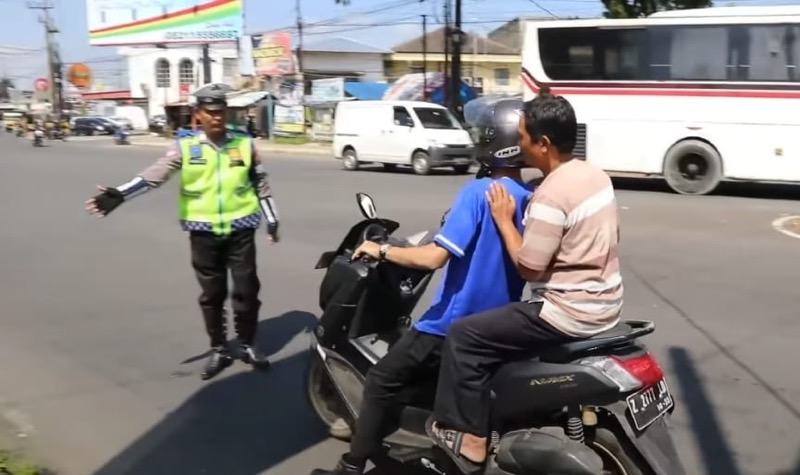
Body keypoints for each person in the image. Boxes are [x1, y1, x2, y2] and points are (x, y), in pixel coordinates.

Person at [310, 98, 534, 475]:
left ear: (493, 141)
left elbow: (433, 258)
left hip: (451, 323)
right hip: (498, 324)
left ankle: (351, 466)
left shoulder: (478, 194)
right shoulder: (528, 198)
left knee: (380, 380)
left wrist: (381, 249)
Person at [426, 93, 624, 474]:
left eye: (523, 138)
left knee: (465, 336)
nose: (518, 146)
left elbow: (529, 269)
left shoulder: (550, 193)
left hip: (567, 312)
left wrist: (504, 220)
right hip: (607, 303)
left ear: (543, 143)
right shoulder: (594, 175)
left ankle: (470, 440)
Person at [85, 84, 280, 381]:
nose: (217, 117)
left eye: (221, 112)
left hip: (241, 229)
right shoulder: (186, 146)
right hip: (202, 233)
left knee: (247, 292)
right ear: (198, 114)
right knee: (212, 295)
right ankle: (219, 348)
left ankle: (247, 344)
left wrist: (273, 219)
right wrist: (121, 194)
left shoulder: (244, 143)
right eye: (210, 112)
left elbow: (261, 185)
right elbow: (157, 174)